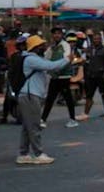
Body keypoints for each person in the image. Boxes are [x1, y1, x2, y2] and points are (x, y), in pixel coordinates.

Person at [17, 35, 82, 164]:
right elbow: (52, 66)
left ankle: (23, 153)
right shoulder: (31, 59)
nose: (43, 47)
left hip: (29, 94)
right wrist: (67, 60)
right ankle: (38, 154)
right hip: (30, 95)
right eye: (41, 45)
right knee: (34, 125)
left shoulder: (31, 58)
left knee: (27, 126)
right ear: (35, 47)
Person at [40, 27, 78, 128]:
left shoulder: (65, 45)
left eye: (58, 33)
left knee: (68, 98)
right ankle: (43, 119)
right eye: (54, 33)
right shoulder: (52, 47)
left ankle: (73, 119)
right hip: (54, 76)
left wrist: (54, 66)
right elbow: (46, 57)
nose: (56, 35)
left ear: (62, 35)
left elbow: (67, 58)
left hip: (64, 76)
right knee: (50, 98)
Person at [80, 32, 104, 121]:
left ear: (101, 39)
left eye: (98, 39)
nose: (96, 40)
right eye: (95, 39)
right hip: (91, 76)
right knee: (89, 96)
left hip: (101, 76)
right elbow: (85, 59)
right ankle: (85, 114)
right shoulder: (90, 49)